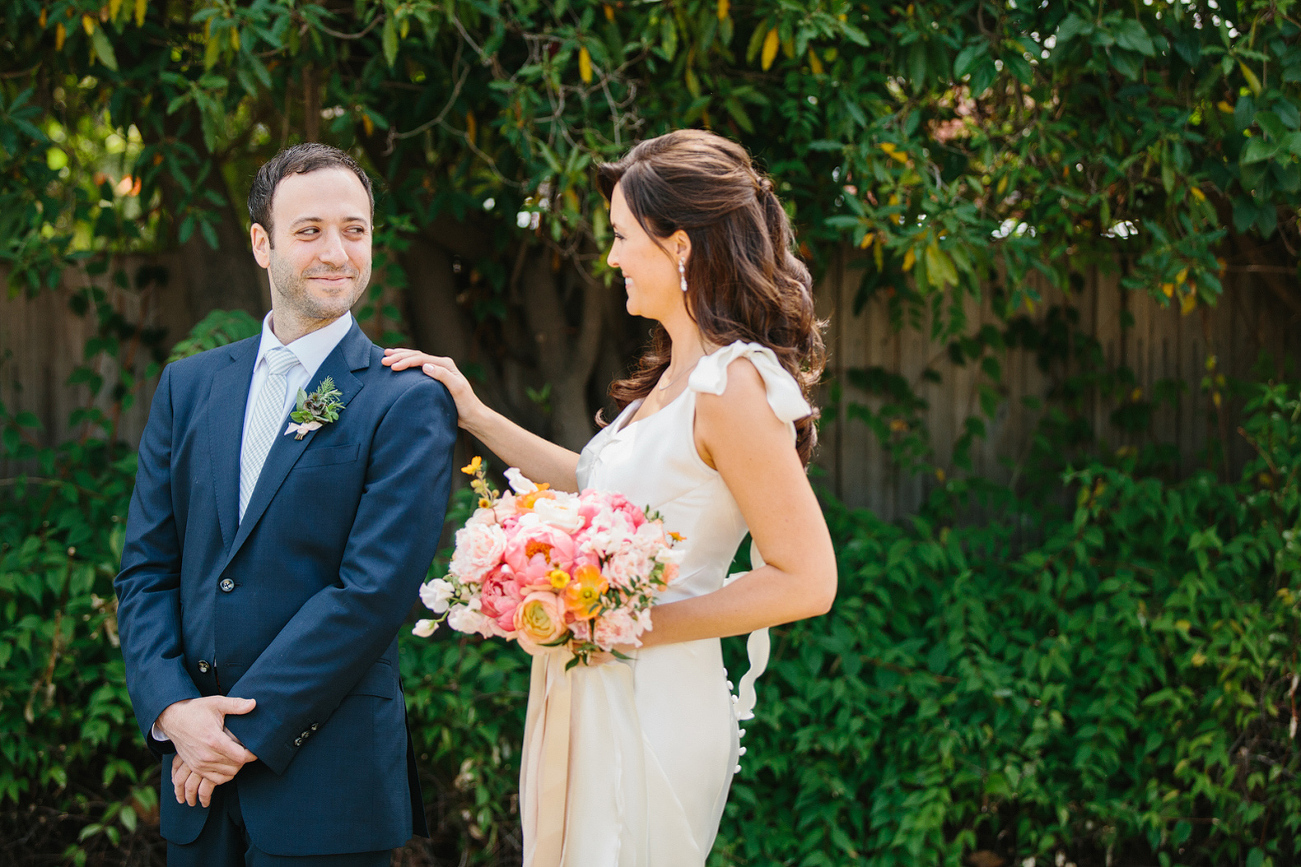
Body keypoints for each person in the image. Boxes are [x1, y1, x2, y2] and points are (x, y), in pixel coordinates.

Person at [383, 128, 837, 866]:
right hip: (585, 685)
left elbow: (807, 580)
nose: (612, 256)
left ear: (681, 245)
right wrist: (472, 411)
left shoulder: (732, 386)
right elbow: (595, 485)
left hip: (653, 696)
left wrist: (624, 626)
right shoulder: (670, 379)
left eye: (623, 237)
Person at [114, 143, 458, 866]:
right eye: (309, 231)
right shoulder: (189, 386)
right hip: (195, 789)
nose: (337, 251)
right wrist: (175, 711)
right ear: (261, 243)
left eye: (355, 229)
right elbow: (147, 570)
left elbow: (371, 593)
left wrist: (234, 737)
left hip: (326, 788)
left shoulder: (407, 400)